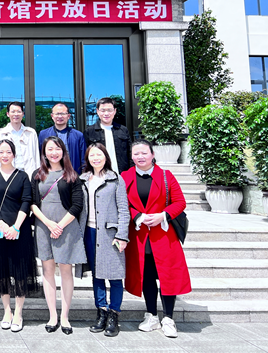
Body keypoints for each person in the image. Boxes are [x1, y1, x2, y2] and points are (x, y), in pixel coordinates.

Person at [122, 140, 191, 338]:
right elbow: (122, 203)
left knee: (168, 276)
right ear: (131, 156)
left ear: (152, 154)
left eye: (144, 153)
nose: (140, 157)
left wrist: (163, 215)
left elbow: (180, 202)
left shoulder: (166, 176)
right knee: (147, 276)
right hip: (139, 236)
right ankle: (151, 315)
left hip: (164, 235)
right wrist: (137, 215)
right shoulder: (125, 177)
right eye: (136, 154)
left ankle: (168, 318)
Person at [31, 136, 86, 335]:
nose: (53, 153)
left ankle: (65, 316)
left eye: (57, 149)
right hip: (44, 226)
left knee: (65, 270)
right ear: (44, 153)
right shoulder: (37, 174)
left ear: (63, 151)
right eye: (49, 149)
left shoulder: (71, 175)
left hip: (66, 226)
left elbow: (77, 205)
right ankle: (53, 315)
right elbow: (32, 203)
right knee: (47, 270)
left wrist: (60, 226)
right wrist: (49, 224)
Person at [76, 143, 130, 337]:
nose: (95, 158)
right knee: (97, 275)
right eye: (92, 155)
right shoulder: (83, 179)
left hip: (110, 234)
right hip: (89, 232)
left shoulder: (115, 179)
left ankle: (114, 315)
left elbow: (123, 209)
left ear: (106, 157)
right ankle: (101, 312)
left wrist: (122, 235)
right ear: (88, 158)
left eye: (99, 154)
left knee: (114, 276)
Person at [0, 139, 38, 333]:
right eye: (1, 151)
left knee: (20, 271)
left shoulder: (22, 176)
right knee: (2, 271)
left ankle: (18, 312)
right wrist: (2, 223)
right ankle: (7, 311)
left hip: (20, 230)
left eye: (8, 151)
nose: (5, 155)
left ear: (14, 154)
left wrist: (15, 226)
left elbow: (26, 201)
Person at [85, 97, 131, 175]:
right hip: (99, 175)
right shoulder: (89, 131)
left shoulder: (123, 130)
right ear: (97, 111)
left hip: (122, 174)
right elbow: (86, 156)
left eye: (109, 110)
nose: (106, 113)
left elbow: (130, 152)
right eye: (103, 110)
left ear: (115, 111)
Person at [0, 102, 39, 175]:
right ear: (8, 114)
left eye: (18, 111)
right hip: (8, 175)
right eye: (13, 111)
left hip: (28, 174)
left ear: (23, 114)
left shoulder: (31, 133)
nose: (16, 114)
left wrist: (37, 175)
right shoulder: (0, 134)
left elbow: (36, 156)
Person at [38, 103, 86, 172]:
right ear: (52, 116)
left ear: (68, 116)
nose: (60, 116)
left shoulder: (78, 135)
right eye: (57, 114)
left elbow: (84, 159)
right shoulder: (43, 134)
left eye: (63, 114)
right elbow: (41, 156)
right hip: (50, 174)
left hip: (73, 174)